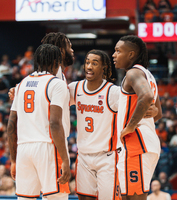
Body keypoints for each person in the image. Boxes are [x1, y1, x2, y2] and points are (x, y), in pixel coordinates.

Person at [7, 44, 71, 200]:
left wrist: (14, 160)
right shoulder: (56, 83)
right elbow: (55, 124)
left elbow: (10, 126)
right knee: (57, 197)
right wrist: (65, 159)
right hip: (46, 147)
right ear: (56, 62)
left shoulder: (21, 84)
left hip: (23, 149)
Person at [113, 35, 162, 200]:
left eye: (118, 51)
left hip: (136, 143)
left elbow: (147, 97)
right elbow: (158, 113)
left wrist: (130, 126)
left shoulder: (133, 73)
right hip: (146, 143)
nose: (114, 55)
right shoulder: (148, 75)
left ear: (131, 54)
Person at [68, 49, 121, 200]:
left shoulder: (113, 92)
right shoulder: (75, 88)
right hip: (83, 155)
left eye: (94, 63)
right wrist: (17, 91)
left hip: (107, 156)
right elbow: (52, 100)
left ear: (104, 67)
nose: (89, 66)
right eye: (87, 62)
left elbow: (134, 107)